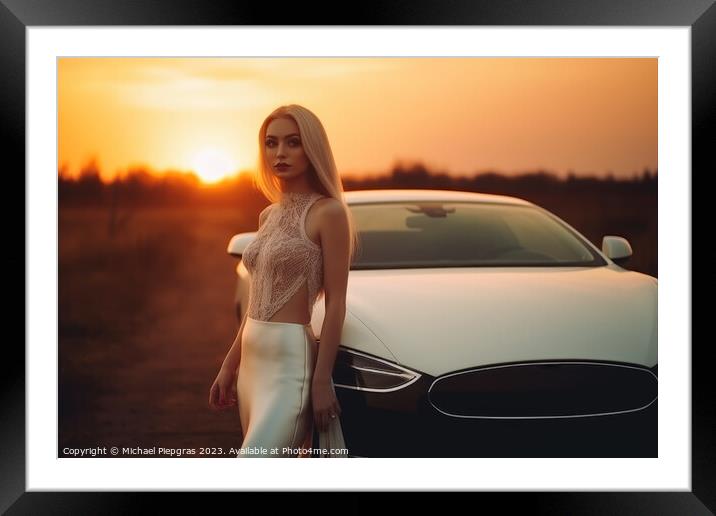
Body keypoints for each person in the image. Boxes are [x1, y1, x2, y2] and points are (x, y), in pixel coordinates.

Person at [208, 104, 359, 458]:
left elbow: (336, 303)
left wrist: (321, 380)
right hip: (253, 362)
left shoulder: (329, 213)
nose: (280, 153)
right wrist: (230, 365)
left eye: (293, 142)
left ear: (312, 148)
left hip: (291, 364)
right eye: (271, 143)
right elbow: (259, 298)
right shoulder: (268, 214)